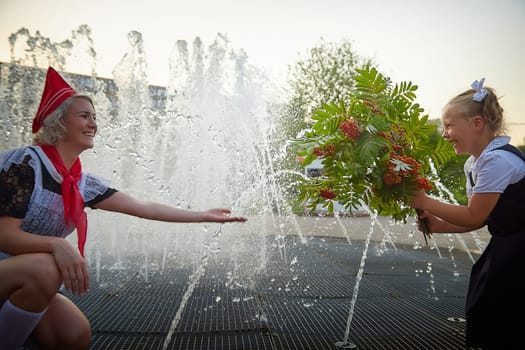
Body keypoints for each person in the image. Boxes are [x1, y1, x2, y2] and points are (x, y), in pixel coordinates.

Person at [0, 66, 247, 350]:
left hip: (20, 274)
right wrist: (57, 244)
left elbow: (142, 207)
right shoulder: (25, 165)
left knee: (73, 334)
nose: (93, 123)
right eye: (84, 116)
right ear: (59, 122)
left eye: (95, 117)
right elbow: (4, 236)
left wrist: (202, 215)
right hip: (21, 271)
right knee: (45, 268)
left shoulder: (81, 183)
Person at [409, 78, 525, 349]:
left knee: (503, 308)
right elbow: (479, 218)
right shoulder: (475, 163)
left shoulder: (499, 161)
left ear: (476, 123)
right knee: (486, 304)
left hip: (519, 248)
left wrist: (424, 200)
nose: (445, 133)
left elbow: (473, 216)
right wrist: (437, 225)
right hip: (508, 244)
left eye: (449, 125)